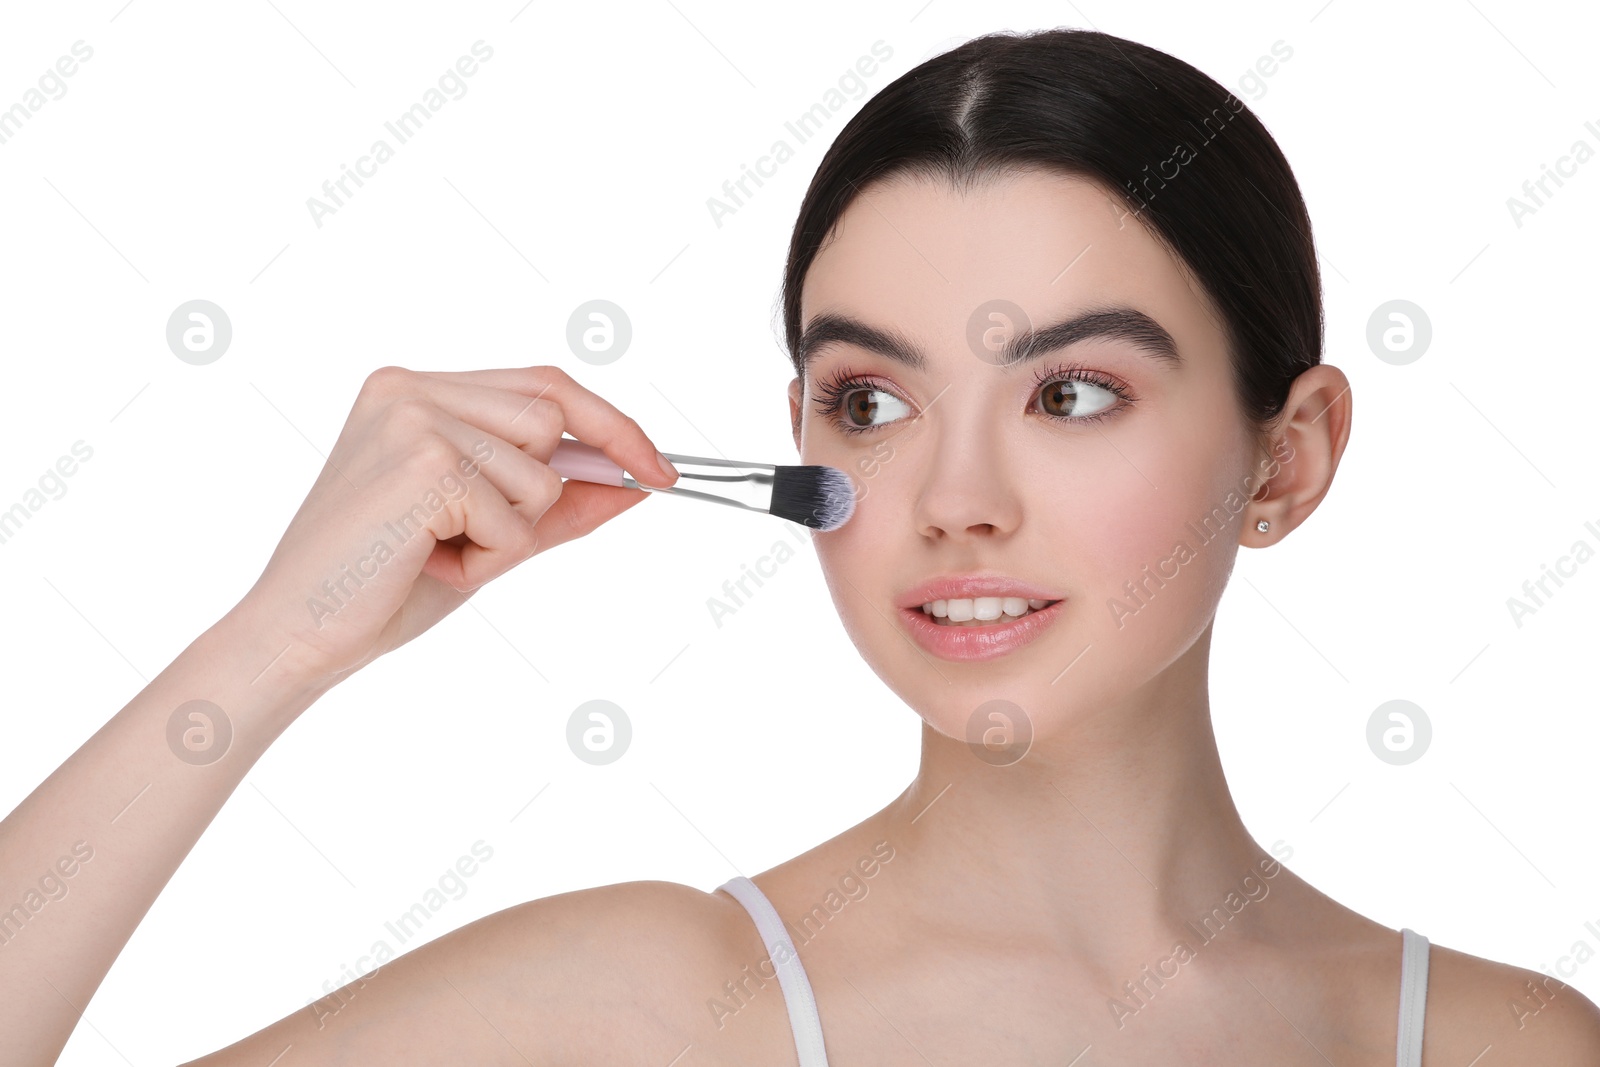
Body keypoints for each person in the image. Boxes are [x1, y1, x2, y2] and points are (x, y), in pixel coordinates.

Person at [4, 26, 1597, 1066]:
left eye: (1075, 390)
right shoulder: (646, 1008)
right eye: (872, 400)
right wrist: (272, 641)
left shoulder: (1506, 1045)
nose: (954, 496)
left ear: (1289, 452)